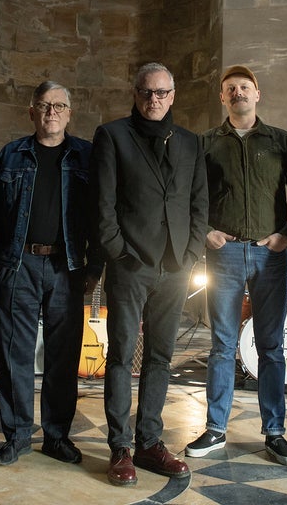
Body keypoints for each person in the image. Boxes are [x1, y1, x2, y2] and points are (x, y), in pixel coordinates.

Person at [185, 65, 287, 466]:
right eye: (230, 88)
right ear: (222, 97)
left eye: (245, 87)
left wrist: (286, 236)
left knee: (271, 347)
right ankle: (215, 428)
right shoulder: (206, 143)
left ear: (257, 94)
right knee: (222, 345)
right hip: (223, 254)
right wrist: (206, 232)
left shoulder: (281, 141)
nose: (238, 92)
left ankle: (274, 432)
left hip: (269, 256)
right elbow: (187, 197)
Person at [91, 62, 208, 487]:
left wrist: (192, 254)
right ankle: (120, 447)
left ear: (172, 96)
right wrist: (119, 253)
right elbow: (102, 204)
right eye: (146, 92)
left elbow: (199, 203)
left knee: (161, 357)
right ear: (135, 94)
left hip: (176, 266)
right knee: (122, 356)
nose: (153, 99)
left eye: (161, 93)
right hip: (131, 265)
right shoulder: (112, 135)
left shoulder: (191, 142)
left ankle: (149, 442)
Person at [0, 80, 103, 466]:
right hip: (19, 265)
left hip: (67, 267)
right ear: (32, 112)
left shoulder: (86, 156)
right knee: (13, 353)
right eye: (45, 105)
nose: (52, 112)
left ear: (70, 113)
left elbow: (100, 216)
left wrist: (94, 267)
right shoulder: (12, 154)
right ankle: (17, 436)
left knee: (63, 356)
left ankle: (56, 436)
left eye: (59, 106)